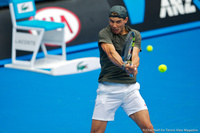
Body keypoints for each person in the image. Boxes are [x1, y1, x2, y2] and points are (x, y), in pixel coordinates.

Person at [90, 5, 154, 133]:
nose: (114, 25)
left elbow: (135, 56)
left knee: (148, 128)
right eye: (111, 21)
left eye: (118, 22)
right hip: (108, 90)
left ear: (125, 20)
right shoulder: (104, 33)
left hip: (130, 90)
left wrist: (133, 67)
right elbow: (110, 53)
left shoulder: (134, 34)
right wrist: (124, 66)